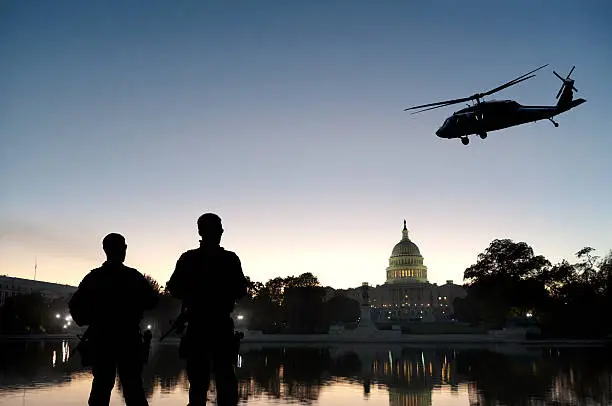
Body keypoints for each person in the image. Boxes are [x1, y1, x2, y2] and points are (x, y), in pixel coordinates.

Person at [166, 213, 248, 406]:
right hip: (219, 326)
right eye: (219, 228)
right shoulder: (229, 259)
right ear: (219, 232)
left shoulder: (189, 259)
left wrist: (194, 295)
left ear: (200, 231)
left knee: (199, 384)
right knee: (224, 380)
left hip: (198, 326)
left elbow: (174, 288)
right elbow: (241, 291)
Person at [69, 233, 159, 406]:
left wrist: (92, 321)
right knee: (133, 388)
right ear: (124, 250)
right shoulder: (133, 277)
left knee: (101, 387)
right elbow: (153, 301)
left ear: (105, 250)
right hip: (128, 339)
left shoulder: (93, 277)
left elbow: (75, 306)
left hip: (102, 339)